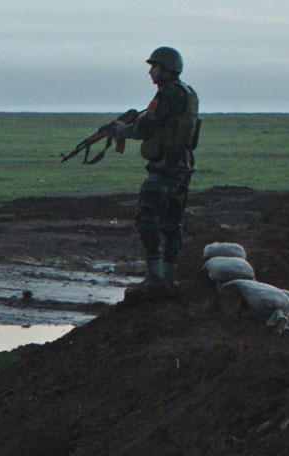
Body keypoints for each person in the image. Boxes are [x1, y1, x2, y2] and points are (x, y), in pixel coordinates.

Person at [111, 46, 200, 301]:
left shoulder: (168, 93)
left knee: (146, 219)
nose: (151, 72)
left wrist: (120, 131)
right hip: (183, 164)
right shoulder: (187, 92)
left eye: (155, 67)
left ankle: (156, 278)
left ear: (167, 69)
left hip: (166, 166)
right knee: (173, 222)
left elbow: (147, 128)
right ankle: (169, 277)